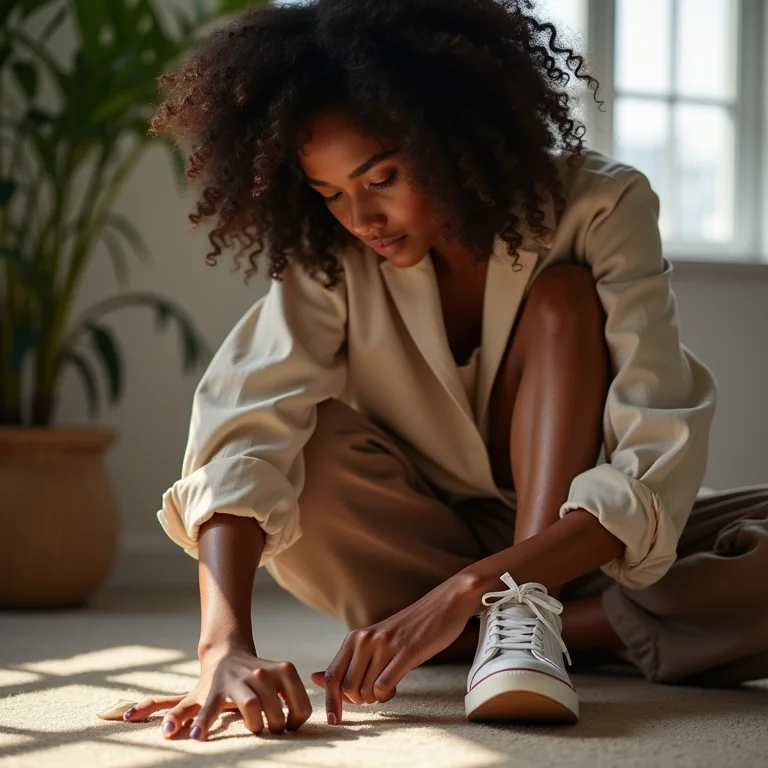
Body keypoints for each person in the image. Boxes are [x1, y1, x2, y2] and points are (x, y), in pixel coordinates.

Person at [121, 0, 768, 742]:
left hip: (580, 541)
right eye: (330, 194)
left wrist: (470, 590)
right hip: (414, 538)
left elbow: (657, 449)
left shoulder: (602, 204)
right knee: (303, 446)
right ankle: (567, 634)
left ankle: (506, 624)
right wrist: (222, 648)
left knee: (564, 298)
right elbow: (242, 437)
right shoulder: (331, 257)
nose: (361, 217)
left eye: (382, 176)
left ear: (452, 135)